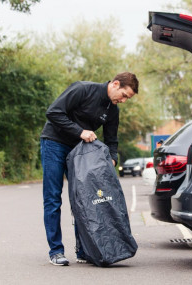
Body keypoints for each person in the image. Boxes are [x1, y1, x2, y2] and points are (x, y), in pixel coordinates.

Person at [40, 72, 139, 266]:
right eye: (124, 95)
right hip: (54, 143)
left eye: (128, 98)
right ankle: (56, 251)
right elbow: (53, 112)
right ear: (115, 84)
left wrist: (112, 159)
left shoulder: (113, 110)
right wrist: (80, 131)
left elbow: (112, 139)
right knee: (52, 197)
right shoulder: (83, 89)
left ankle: (84, 250)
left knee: (85, 199)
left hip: (80, 151)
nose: (124, 100)